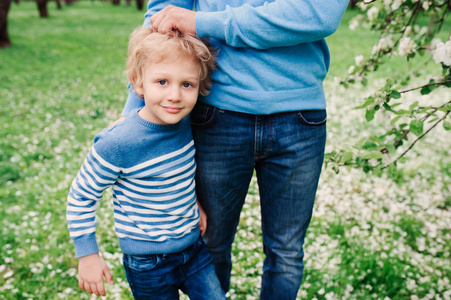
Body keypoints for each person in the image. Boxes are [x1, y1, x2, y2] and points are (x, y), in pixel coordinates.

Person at [121, 1, 349, 299]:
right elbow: (164, 16)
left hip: (299, 115)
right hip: (218, 110)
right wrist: (136, 108)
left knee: (286, 253)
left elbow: (319, 14)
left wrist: (203, 23)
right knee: (210, 240)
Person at [66, 26, 224, 299]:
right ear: (138, 83)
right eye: (162, 82)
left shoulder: (184, 121)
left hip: (194, 249)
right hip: (149, 264)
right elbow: (81, 195)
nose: (175, 95)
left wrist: (192, 202)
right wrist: (88, 254)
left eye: (187, 84)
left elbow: (176, 175)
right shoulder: (118, 143)